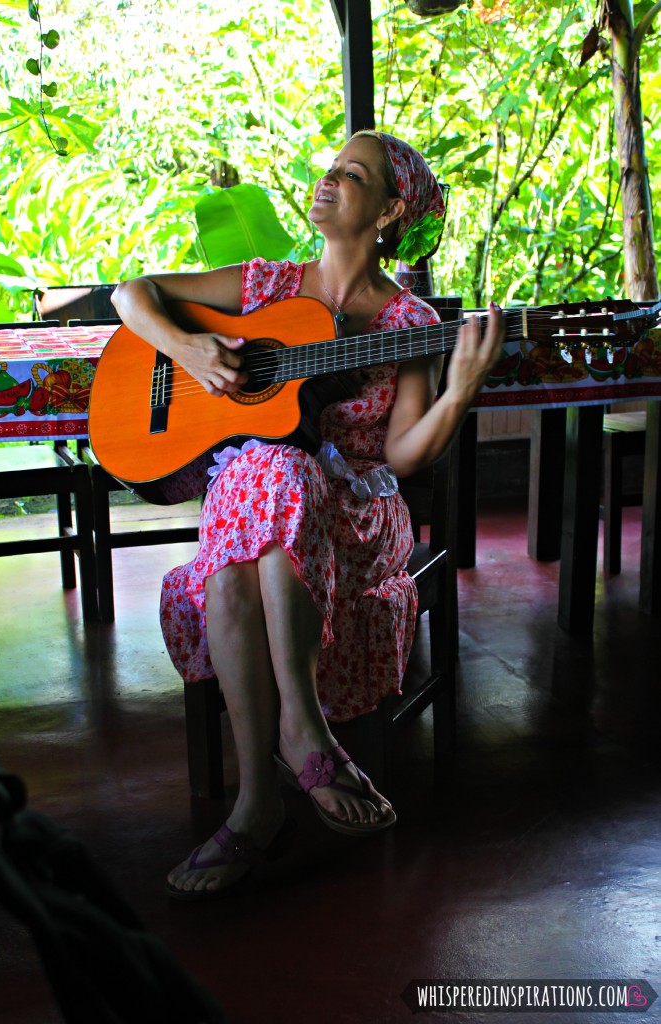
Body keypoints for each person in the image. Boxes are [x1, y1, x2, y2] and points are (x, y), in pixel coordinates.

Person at [111, 130, 505, 899]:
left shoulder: (411, 322)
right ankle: (296, 746)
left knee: (261, 504)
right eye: (330, 167)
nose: (328, 180)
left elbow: (403, 456)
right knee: (267, 477)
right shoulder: (267, 283)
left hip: (354, 517)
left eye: (352, 175)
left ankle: (259, 798)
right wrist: (189, 349)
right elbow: (131, 294)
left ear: (391, 209)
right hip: (261, 512)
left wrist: (458, 392)